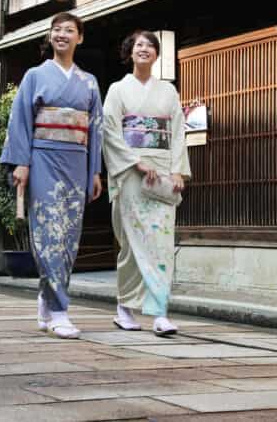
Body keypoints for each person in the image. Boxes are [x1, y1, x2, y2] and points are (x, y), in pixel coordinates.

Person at [0, 12, 103, 339]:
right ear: (50, 36)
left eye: (69, 30)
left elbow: (96, 129)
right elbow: (20, 121)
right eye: (56, 29)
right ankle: (59, 310)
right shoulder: (35, 75)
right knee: (47, 234)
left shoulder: (88, 82)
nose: (62, 35)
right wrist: (21, 162)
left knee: (69, 239)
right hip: (42, 160)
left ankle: (47, 298)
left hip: (76, 162)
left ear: (79, 38)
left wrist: (95, 171)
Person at [101, 30, 191, 336]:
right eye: (139, 44)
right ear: (130, 51)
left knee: (161, 244)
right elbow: (110, 131)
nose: (145, 49)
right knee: (133, 244)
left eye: (151, 46)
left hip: (162, 173)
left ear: (156, 54)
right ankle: (124, 308)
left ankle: (160, 313)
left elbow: (177, 131)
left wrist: (178, 170)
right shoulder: (117, 89)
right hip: (130, 173)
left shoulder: (168, 91)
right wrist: (134, 162)